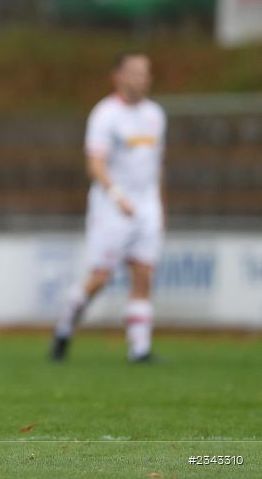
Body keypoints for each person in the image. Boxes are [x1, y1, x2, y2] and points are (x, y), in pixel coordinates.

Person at [50, 53, 166, 363]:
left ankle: (139, 349)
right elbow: (95, 165)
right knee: (100, 277)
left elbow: (156, 165)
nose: (142, 79)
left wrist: (157, 205)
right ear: (118, 76)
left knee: (143, 273)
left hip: (146, 205)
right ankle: (64, 327)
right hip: (112, 206)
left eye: (146, 73)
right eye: (135, 73)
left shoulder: (155, 114)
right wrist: (117, 196)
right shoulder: (105, 115)